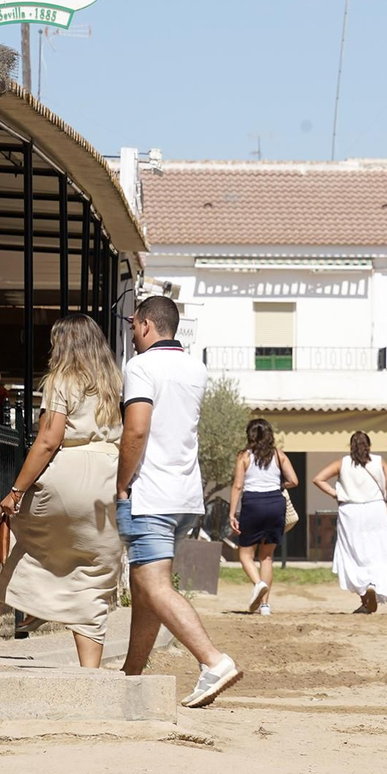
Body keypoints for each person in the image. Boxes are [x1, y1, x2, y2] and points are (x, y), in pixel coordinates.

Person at [0, 315, 122, 668]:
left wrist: (15, 491)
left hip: (69, 473)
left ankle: (36, 605)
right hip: (109, 478)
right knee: (94, 575)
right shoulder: (114, 382)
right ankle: (90, 675)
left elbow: (49, 440)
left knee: (20, 527)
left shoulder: (61, 380)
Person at [117, 295, 242, 708]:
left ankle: (213, 661)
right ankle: (130, 676)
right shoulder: (195, 368)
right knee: (146, 586)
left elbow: (136, 431)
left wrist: (121, 484)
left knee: (153, 586)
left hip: (151, 493)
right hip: (186, 495)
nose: (132, 334)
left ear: (147, 325)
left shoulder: (140, 366)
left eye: (134, 325)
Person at [314, 431, 387, 613]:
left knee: (353, 553)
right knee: (376, 551)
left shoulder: (342, 463)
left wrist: (336, 493)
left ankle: (364, 592)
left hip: (350, 511)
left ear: (350, 446)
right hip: (376, 510)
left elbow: (318, 479)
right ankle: (373, 586)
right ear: (369, 445)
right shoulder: (380, 462)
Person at [227, 418, 299, 617]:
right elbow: (294, 480)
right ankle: (265, 606)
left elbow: (238, 486)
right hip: (276, 504)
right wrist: (279, 485)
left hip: (253, 504)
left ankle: (258, 584)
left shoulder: (244, 456)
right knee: (266, 556)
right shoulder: (279, 455)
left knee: (245, 554)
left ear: (249, 435)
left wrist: (232, 513)